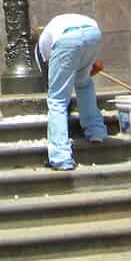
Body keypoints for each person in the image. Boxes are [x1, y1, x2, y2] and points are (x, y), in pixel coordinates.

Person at [35, 13, 108, 170]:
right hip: (92, 33)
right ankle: (96, 131)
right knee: (84, 82)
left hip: (67, 39)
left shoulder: (43, 44)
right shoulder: (57, 23)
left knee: (57, 99)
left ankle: (60, 158)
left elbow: (53, 65)